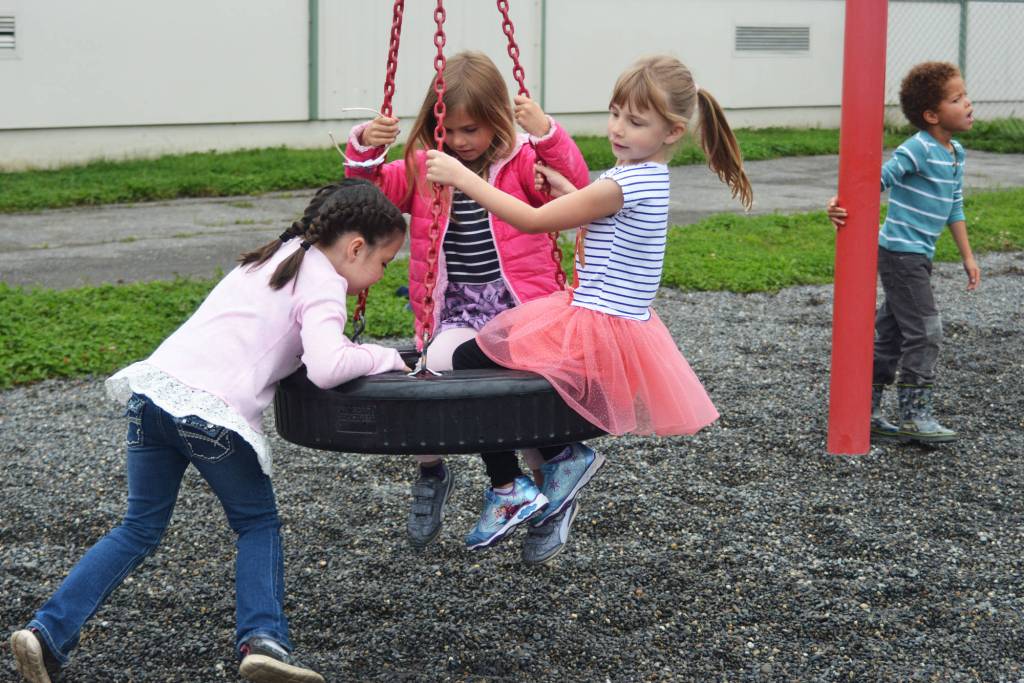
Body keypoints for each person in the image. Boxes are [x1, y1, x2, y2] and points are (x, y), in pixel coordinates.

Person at [8, 179, 408, 683]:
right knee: (257, 523)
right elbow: (329, 366)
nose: (378, 274)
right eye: (384, 262)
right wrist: (389, 355)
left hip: (152, 395)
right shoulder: (323, 280)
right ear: (355, 246)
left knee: (138, 527)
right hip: (211, 415)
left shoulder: (271, 257)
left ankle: (46, 634)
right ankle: (263, 641)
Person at [425, 55, 753, 561]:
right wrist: (575, 194)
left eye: (636, 121)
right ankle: (547, 465)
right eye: (615, 112)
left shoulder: (626, 182)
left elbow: (532, 222)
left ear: (673, 132)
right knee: (480, 370)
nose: (618, 128)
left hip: (594, 322)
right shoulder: (638, 176)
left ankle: (521, 480)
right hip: (607, 318)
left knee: (464, 368)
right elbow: (612, 229)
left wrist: (464, 178)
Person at [344, 50, 590, 558]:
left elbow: (577, 185)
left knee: (520, 414)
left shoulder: (523, 160)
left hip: (521, 306)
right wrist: (365, 149)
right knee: (442, 363)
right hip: (459, 312)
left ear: (498, 119)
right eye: (448, 130)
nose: (458, 142)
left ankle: (549, 488)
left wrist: (546, 133)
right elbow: (364, 197)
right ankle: (512, 487)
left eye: (470, 130)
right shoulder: (423, 167)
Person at [827, 61, 980, 444]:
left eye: (966, 96)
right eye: (957, 99)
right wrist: (839, 201)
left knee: (891, 336)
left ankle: (869, 411)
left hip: (919, 254)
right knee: (927, 332)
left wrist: (967, 256)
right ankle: (914, 415)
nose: (968, 104)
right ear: (931, 115)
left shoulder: (955, 153)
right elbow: (875, 179)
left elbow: (954, 205)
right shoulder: (919, 149)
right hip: (901, 254)